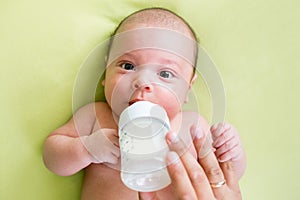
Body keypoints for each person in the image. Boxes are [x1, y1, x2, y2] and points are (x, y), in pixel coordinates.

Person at [42, 7, 246, 199]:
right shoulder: (96, 116)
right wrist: (86, 149)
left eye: (165, 74)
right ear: (106, 72)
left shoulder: (193, 127)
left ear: (188, 89)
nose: (143, 82)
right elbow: (52, 158)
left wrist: (230, 151)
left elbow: (225, 178)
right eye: (128, 66)